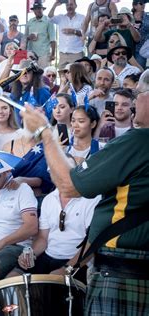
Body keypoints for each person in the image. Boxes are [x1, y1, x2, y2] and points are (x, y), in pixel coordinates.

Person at [20, 89, 149, 316]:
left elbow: (70, 186)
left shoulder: (140, 140)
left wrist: (45, 132)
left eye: (143, 92)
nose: (137, 98)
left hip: (124, 270)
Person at [14, 155, 101, 283]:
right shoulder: (48, 200)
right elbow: (43, 238)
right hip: (48, 257)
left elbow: (92, 243)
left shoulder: (91, 198)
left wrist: (68, 268)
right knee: (15, 279)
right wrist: (30, 254)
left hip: (78, 262)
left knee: (52, 291)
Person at [0, 169, 39, 279]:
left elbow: (31, 227)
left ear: (6, 171)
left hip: (16, 246)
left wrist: (0, 243)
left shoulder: (22, 189)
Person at [49, 0, 86, 70]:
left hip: (76, 53)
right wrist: (55, 5)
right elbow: (50, 17)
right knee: (62, 77)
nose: (69, 7)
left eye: (71, 4)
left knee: (76, 77)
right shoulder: (61, 17)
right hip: (63, 54)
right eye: (67, 5)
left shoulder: (82, 17)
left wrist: (73, 31)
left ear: (76, 6)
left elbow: (86, 33)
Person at [25, 1, 57, 68]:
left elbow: (53, 39)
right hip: (31, 54)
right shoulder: (30, 22)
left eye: (40, 8)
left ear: (43, 9)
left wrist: (53, 54)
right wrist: (29, 37)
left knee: (44, 74)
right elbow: (25, 37)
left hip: (44, 54)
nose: (38, 10)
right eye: (36, 9)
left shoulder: (48, 21)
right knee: (32, 74)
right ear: (33, 11)